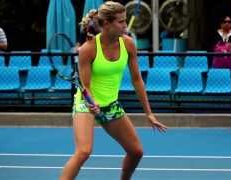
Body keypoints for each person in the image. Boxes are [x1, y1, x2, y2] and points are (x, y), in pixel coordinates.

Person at [60, 1, 167, 180]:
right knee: (83, 151)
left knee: (136, 152)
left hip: (110, 105)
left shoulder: (128, 44)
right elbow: (85, 86)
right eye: (121, 21)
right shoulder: (88, 49)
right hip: (86, 104)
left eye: (125, 20)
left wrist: (149, 113)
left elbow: (137, 79)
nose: (125, 25)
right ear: (107, 24)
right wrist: (91, 102)